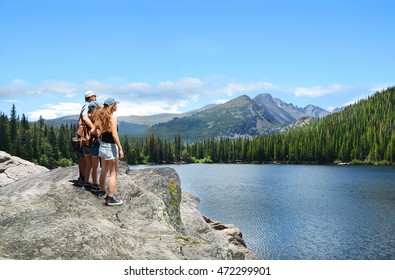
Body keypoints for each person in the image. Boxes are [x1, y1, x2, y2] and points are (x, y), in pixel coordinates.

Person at [92, 97, 124, 206]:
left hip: (102, 146)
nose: (117, 106)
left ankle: (102, 191)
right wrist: (120, 148)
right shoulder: (113, 118)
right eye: (116, 104)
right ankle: (110, 198)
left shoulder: (100, 117)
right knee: (113, 173)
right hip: (111, 147)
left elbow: (94, 131)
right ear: (112, 106)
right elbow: (114, 134)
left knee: (104, 170)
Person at [77, 90, 98, 184]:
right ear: (89, 98)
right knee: (92, 164)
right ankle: (92, 183)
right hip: (89, 137)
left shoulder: (84, 107)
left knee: (84, 159)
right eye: (94, 96)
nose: (95, 97)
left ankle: (84, 179)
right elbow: (85, 118)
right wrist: (93, 127)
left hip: (83, 136)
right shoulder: (88, 106)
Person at [82, 100, 102, 192]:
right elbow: (97, 133)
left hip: (85, 143)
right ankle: (94, 184)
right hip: (94, 144)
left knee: (88, 165)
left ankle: (86, 183)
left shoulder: (85, 117)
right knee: (95, 166)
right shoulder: (96, 118)